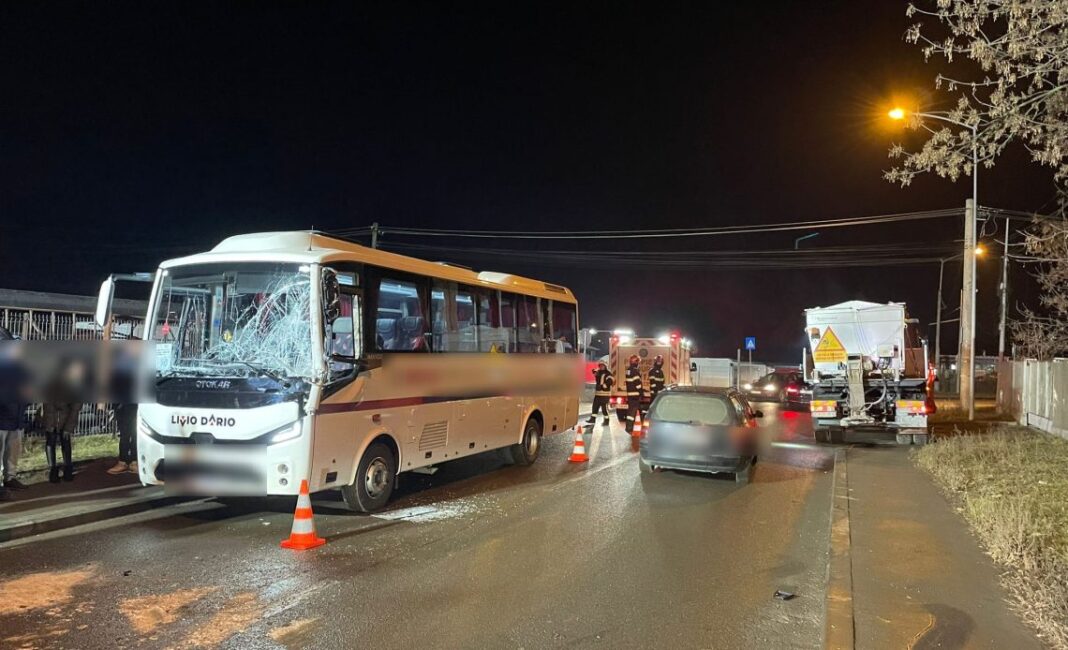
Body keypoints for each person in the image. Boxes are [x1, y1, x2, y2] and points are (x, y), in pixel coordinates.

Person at [107, 403, 138, 475]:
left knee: (134, 433)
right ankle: (125, 462)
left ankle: (132, 461)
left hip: (133, 404)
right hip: (122, 404)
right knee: (125, 433)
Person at [586, 361, 614, 426]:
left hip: (605, 394)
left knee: (604, 408)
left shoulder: (608, 373)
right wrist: (594, 372)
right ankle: (592, 419)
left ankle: (606, 420)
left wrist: (602, 386)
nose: (601, 367)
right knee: (595, 407)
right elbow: (596, 374)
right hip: (598, 394)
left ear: (605, 366)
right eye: (600, 366)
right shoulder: (598, 372)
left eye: (602, 366)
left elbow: (610, 381)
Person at [623, 355, 644, 434]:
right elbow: (637, 383)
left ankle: (629, 427)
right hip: (635, 395)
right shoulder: (635, 371)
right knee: (632, 412)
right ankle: (629, 428)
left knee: (631, 412)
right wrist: (641, 392)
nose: (638, 363)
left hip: (630, 394)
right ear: (636, 362)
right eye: (638, 361)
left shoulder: (628, 370)